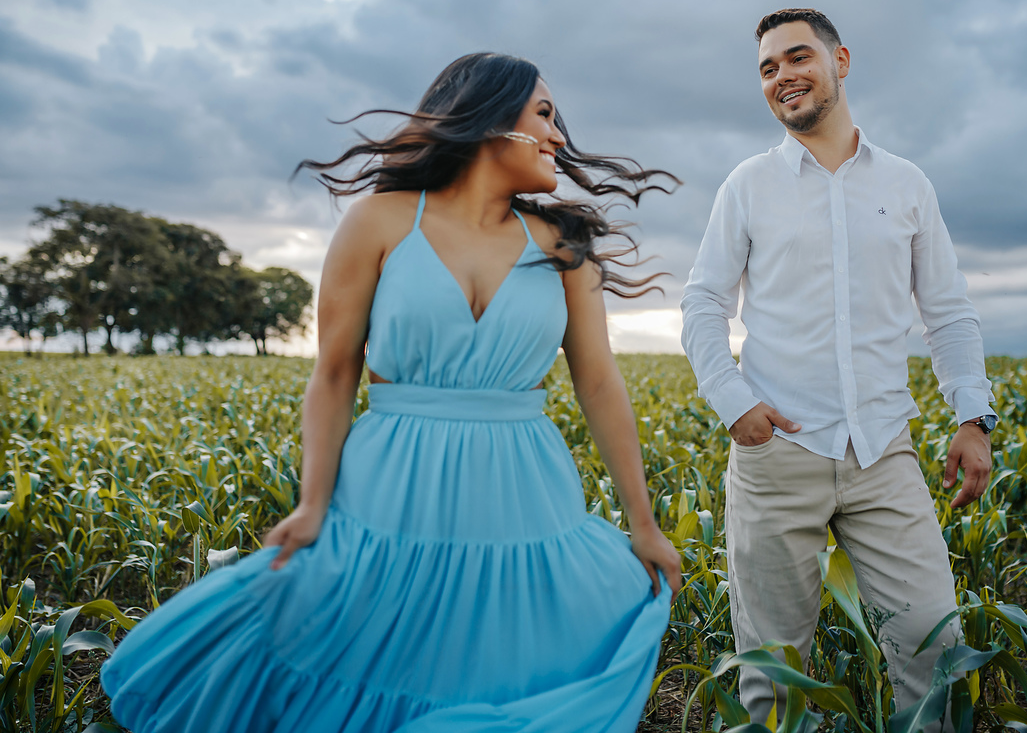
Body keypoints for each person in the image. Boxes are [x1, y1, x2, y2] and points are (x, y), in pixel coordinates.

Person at [101, 52, 683, 732]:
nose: (560, 138)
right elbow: (334, 373)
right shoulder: (379, 221)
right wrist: (314, 503)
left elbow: (600, 384)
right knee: (355, 643)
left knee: (501, 657)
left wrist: (644, 526)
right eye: (546, 115)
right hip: (390, 480)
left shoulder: (562, 244)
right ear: (491, 119)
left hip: (523, 490)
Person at [680, 9, 998, 727]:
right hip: (777, 455)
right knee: (772, 678)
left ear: (840, 61)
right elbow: (702, 303)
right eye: (768, 67)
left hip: (885, 449)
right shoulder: (748, 185)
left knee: (935, 647)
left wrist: (973, 419)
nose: (783, 76)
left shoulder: (909, 184)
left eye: (798, 57)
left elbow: (947, 311)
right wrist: (733, 400)